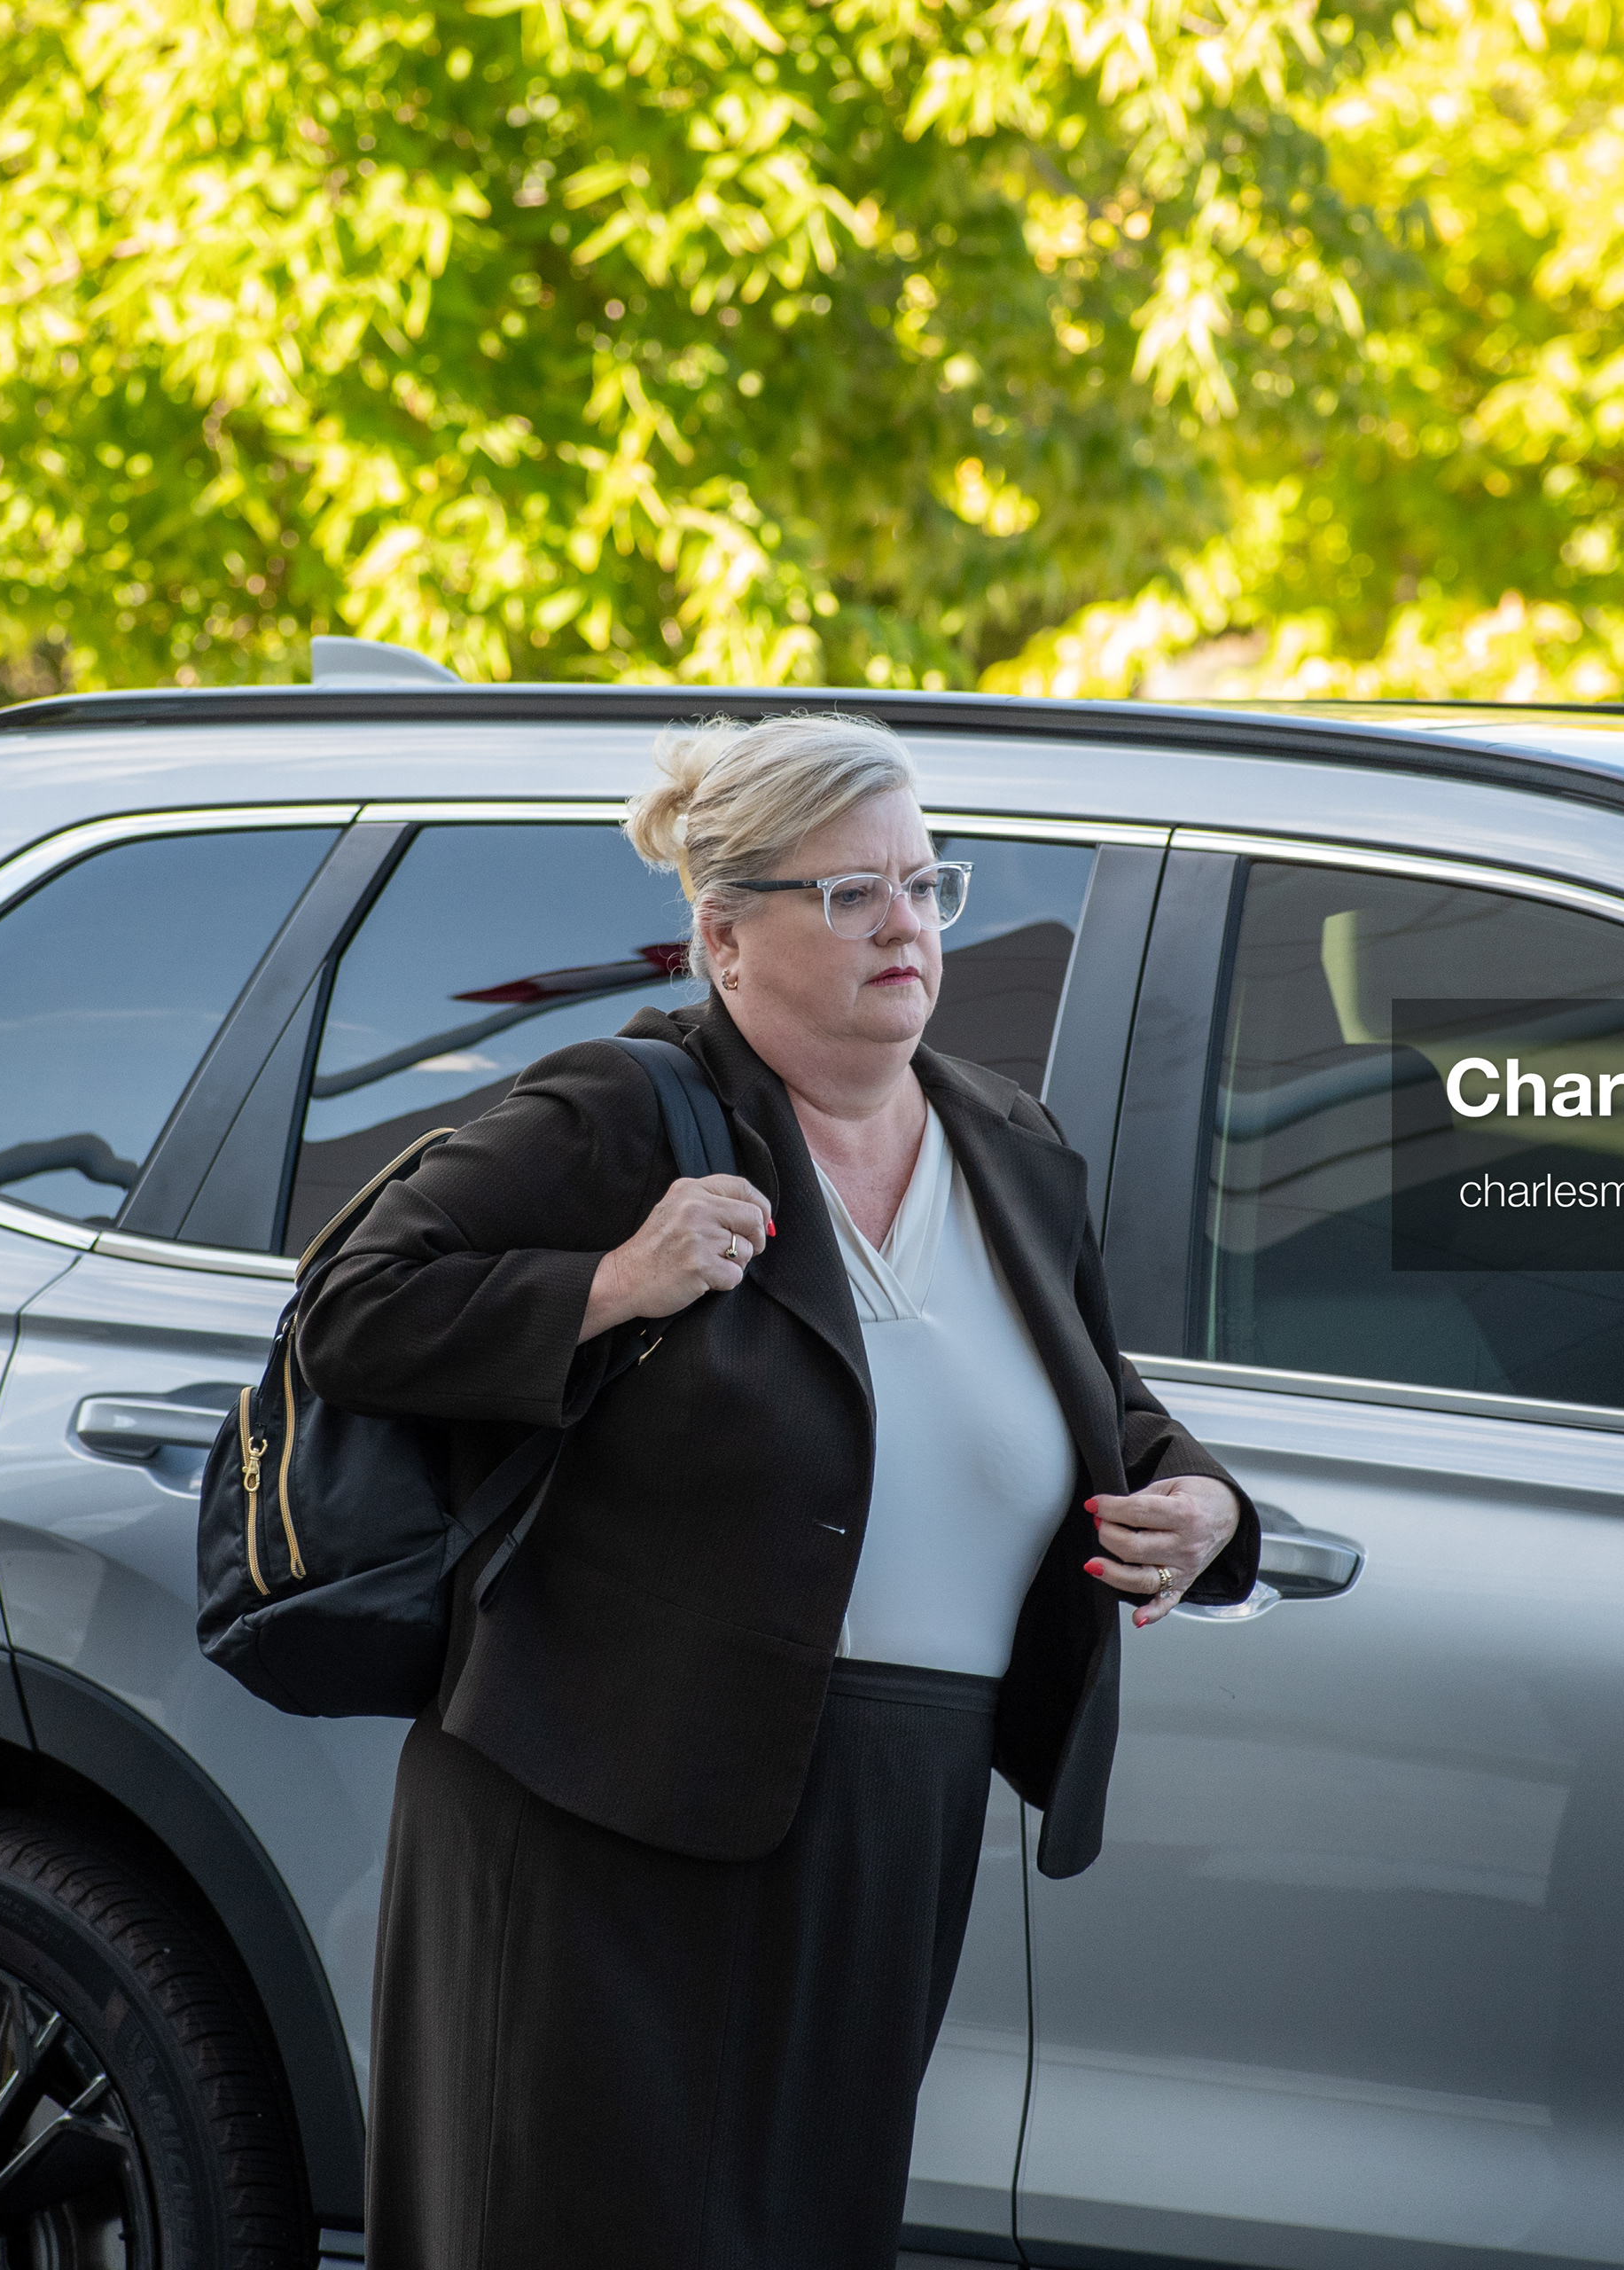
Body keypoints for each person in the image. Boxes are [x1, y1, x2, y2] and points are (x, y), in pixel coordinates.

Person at [298, 712, 1260, 2268]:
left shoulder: (1011, 1143)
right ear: (725, 936)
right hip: (600, 1803)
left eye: (927, 885)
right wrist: (613, 1281)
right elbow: (350, 1307)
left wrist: (1203, 1505)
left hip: (895, 1802)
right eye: (853, 894)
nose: (908, 926)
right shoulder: (624, 1110)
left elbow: (1092, 1395)